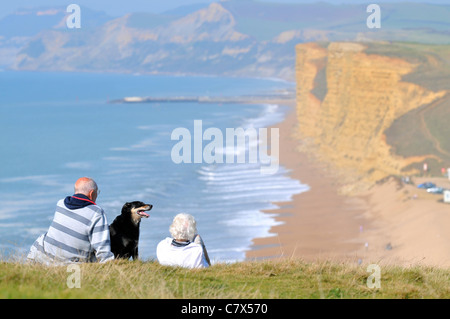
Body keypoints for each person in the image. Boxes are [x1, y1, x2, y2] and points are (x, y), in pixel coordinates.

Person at [27, 177, 114, 265]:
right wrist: (109, 266)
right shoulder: (96, 213)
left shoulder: (61, 204)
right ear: (91, 193)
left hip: (40, 255)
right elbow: (102, 249)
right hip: (68, 265)